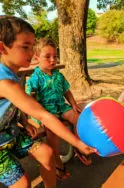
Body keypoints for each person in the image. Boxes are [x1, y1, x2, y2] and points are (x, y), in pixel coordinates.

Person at [0, 15, 95, 188]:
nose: (32, 53)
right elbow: (43, 116)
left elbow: (10, 106)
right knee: (22, 183)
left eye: (32, 46)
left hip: (9, 136)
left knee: (47, 153)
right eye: (26, 47)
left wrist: (23, 122)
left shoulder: (12, 75)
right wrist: (78, 143)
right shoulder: (4, 83)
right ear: (2, 47)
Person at [25, 38, 92, 179]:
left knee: (78, 118)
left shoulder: (58, 75)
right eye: (47, 57)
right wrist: (36, 116)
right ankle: (56, 160)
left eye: (55, 56)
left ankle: (79, 146)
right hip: (46, 112)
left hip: (61, 106)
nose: (52, 60)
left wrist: (73, 104)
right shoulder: (35, 78)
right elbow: (28, 99)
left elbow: (66, 91)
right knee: (52, 129)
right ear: (36, 58)